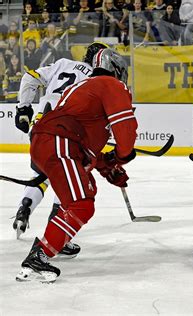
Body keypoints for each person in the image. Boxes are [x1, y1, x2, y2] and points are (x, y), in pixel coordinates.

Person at [16, 48, 137, 283]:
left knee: (84, 191)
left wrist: (107, 166)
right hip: (59, 142)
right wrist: (121, 156)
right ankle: (39, 255)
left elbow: (84, 152)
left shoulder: (79, 87)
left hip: (50, 142)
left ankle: (53, 243)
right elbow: (126, 132)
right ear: (117, 70)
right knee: (81, 203)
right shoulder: (111, 85)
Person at [13, 42, 108, 250]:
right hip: (66, 132)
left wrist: (23, 108)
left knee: (43, 174)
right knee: (67, 179)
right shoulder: (97, 79)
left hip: (39, 126)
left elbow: (29, 77)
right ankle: (56, 235)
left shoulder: (63, 63)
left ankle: (25, 208)